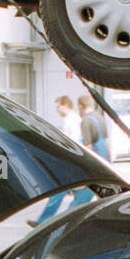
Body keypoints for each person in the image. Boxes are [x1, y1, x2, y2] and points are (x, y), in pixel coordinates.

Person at [29, 95, 95, 227]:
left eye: (58, 106)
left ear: (65, 105)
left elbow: (74, 142)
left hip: (71, 163)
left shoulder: (72, 120)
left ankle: (46, 222)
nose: (57, 110)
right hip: (72, 163)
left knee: (60, 191)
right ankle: (50, 221)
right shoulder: (73, 119)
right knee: (72, 193)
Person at [79, 94, 111, 161]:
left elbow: (88, 146)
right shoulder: (100, 116)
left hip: (96, 159)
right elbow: (107, 140)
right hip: (105, 158)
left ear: (80, 106)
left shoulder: (86, 121)